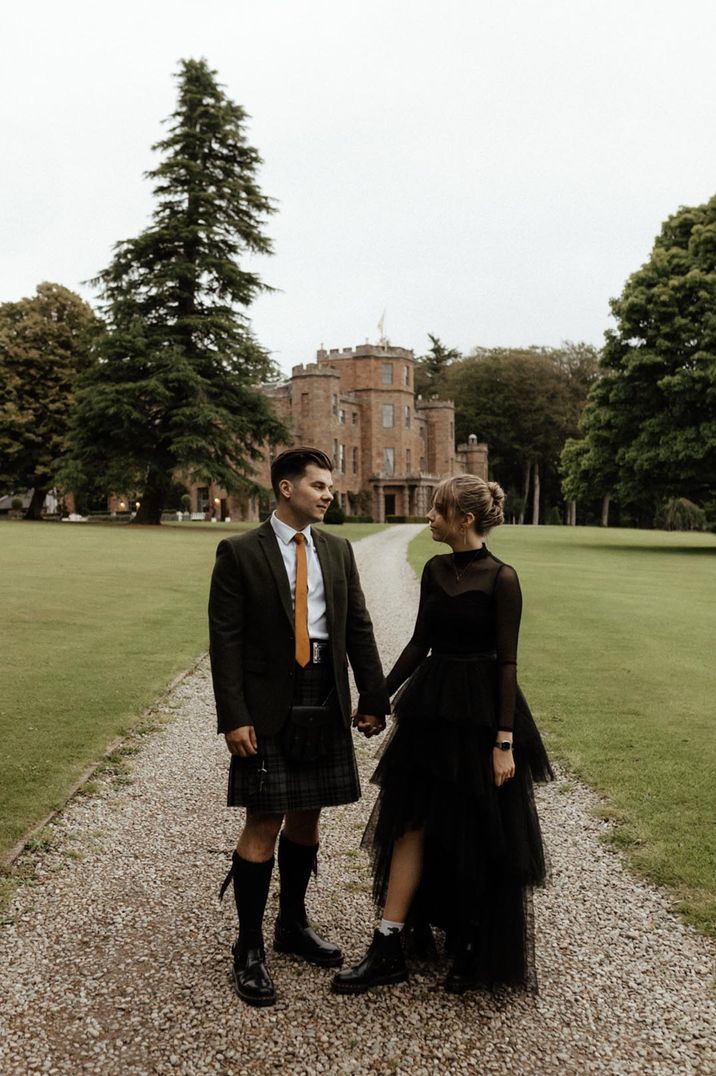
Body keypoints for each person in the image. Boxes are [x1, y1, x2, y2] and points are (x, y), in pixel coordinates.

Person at [332, 474, 553, 996]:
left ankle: (473, 941)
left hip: (480, 720)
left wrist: (504, 742)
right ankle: (387, 944)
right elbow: (418, 644)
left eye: (437, 510)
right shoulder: (433, 569)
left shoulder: (503, 578)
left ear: (465, 519)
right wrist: (377, 698)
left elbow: (507, 663)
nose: (429, 517)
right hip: (431, 711)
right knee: (408, 822)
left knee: (473, 829)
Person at [209, 446, 388, 1007]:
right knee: (265, 818)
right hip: (267, 702)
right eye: (318, 485)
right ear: (286, 489)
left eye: (329, 486)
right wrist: (233, 716)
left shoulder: (337, 550)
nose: (328, 494)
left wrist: (373, 696)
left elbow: (357, 625)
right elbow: (226, 640)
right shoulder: (239, 551)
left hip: (325, 696)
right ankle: (249, 948)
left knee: (308, 815)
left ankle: (292, 925)